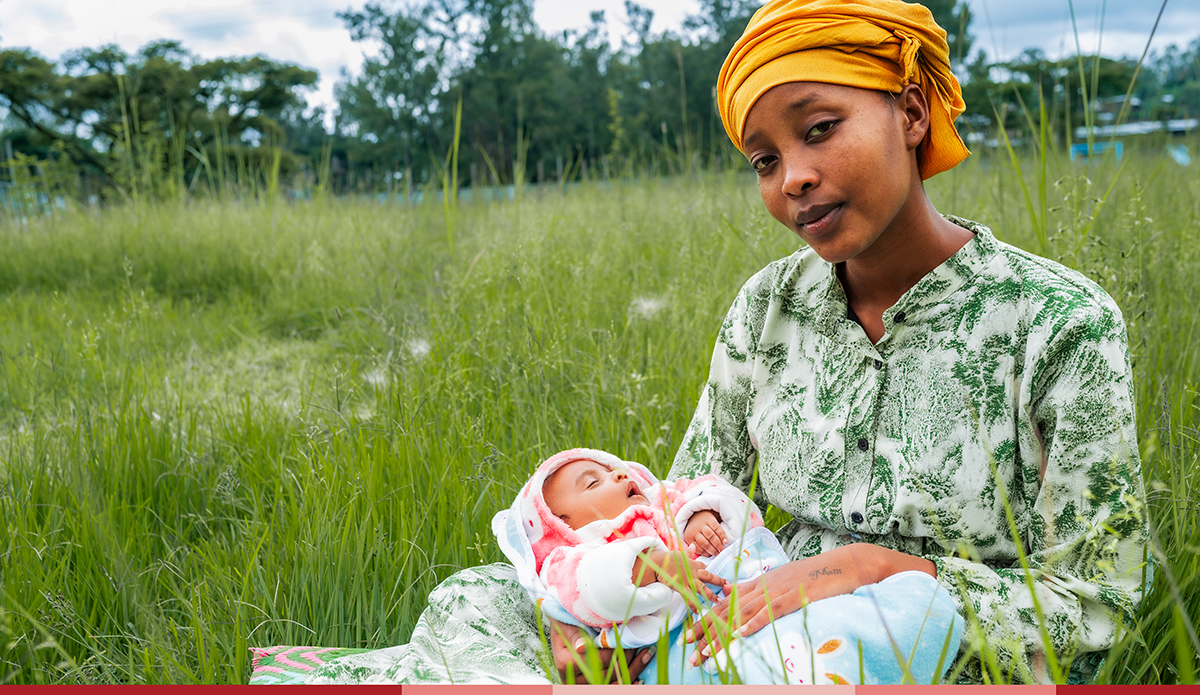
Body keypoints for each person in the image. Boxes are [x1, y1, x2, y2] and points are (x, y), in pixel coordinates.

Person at [298, 0, 1147, 685]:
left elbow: (1099, 604)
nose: (792, 180)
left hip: (909, 645)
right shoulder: (767, 307)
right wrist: (601, 606)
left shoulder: (1059, 321)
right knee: (484, 595)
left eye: (818, 130)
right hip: (739, 615)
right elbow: (681, 497)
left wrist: (872, 569)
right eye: (763, 160)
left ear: (912, 112)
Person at [492, 448, 961, 684]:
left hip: (767, 594)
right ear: (562, 525)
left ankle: (852, 655)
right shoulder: (582, 552)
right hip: (684, 642)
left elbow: (714, 489)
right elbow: (582, 584)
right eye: (593, 481)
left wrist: (703, 512)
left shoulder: (665, 503)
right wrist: (648, 564)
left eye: (615, 469)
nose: (618, 475)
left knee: (918, 604)